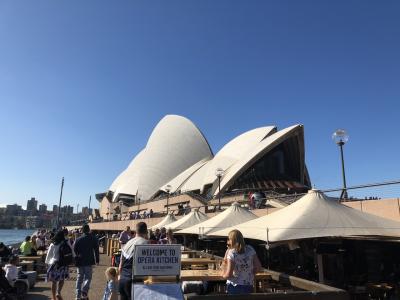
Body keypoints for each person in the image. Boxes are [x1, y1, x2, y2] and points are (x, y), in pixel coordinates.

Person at [221, 229, 261, 295]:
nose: (227, 241)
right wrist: (250, 273)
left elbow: (228, 274)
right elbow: (258, 267)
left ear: (232, 240)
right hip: (248, 285)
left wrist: (223, 275)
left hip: (235, 286)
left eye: (228, 239)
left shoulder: (232, 252)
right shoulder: (250, 249)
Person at [119, 222, 149, 300]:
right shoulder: (145, 243)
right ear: (146, 232)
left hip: (122, 279)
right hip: (133, 281)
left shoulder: (128, 243)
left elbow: (120, 265)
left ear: (136, 231)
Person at [73, 224, 99, 300]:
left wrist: (77, 256)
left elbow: (74, 250)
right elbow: (96, 250)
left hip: (80, 261)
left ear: (82, 230)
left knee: (79, 278)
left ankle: (77, 296)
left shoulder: (78, 239)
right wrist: (97, 260)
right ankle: (84, 292)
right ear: (88, 230)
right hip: (88, 261)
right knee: (88, 277)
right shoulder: (93, 238)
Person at [45, 230, 70, 300]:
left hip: (54, 264)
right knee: (62, 279)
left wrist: (47, 264)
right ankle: (58, 292)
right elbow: (71, 251)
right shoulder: (66, 243)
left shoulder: (53, 244)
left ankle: (53, 298)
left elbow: (48, 256)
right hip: (63, 264)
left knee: (54, 282)